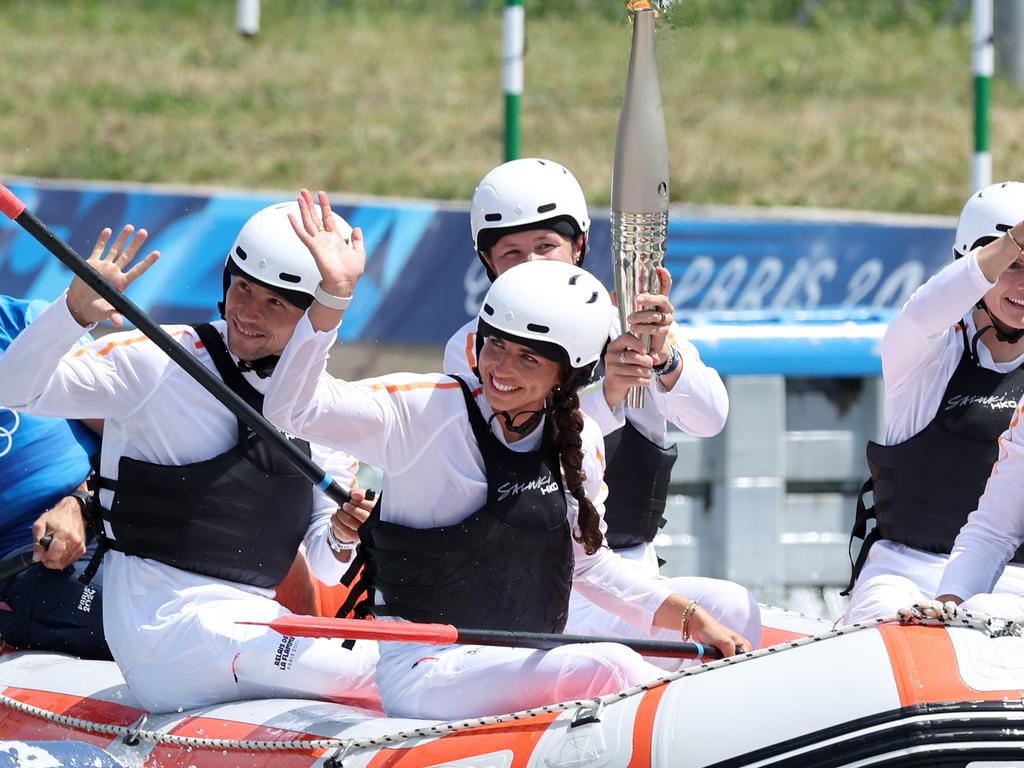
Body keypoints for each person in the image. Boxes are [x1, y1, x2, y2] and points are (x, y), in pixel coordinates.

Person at [263, 189, 751, 721]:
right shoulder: (423, 413)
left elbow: (590, 568)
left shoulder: (580, 441)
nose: (501, 369)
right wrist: (331, 299)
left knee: (719, 613)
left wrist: (690, 618)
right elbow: (291, 410)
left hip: (523, 658)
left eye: (527, 358)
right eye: (495, 345)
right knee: (609, 666)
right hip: (429, 670)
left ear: (569, 377)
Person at [0, 202, 379, 713]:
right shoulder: (155, 362)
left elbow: (328, 570)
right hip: (162, 628)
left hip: (245, 622)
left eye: (274, 304)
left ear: (312, 318)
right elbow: (15, 390)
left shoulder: (323, 413)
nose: (248, 312)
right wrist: (71, 312)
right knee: (379, 674)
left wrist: (342, 533)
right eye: (242, 287)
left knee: (386, 658)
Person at [443, 158, 759, 658]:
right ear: (489, 265)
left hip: (630, 572)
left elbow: (710, 418)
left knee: (735, 607)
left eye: (546, 247)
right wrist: (608, 394)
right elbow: (504, 447)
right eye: (512, 254)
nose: (532, 266)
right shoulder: (476, 347)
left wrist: (665, 358)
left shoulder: (631, 323)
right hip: (526, 581)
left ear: (579, 247)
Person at [842, 181, 1024, 623]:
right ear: (971, 264)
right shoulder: (923, 348)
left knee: (990, 612)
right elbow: (927, 307)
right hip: (903, 571)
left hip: (1012, 584)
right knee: (889, 614)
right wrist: (1015, 238)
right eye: (1012, 266)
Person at [0, 295, 108, 659]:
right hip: (27, 566)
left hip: (115, 500)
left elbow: (136, 436)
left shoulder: (24, 320)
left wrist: (81, 503)